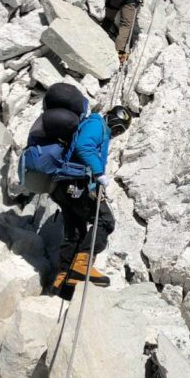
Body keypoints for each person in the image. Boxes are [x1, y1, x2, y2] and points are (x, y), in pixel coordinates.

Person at [50, 104, 133, 294]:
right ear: (111, 118)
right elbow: (84, 146)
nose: (117, 133)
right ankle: (82, 264)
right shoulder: (97, 124)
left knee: (75, 232)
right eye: (118, 128)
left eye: (121, 131)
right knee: (105, 220)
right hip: (76, 183)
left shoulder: (97, 128)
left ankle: (63, 280)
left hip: (64, 185)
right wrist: (98, 173)